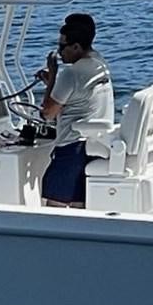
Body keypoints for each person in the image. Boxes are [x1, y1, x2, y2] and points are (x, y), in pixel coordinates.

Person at [37, 13, 114, 207]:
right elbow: (78, 93)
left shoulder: (70, 73)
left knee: (55, 206)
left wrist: (53, 77)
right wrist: (55, 85)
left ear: (76, 46)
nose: (59, 52)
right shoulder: (99, 62)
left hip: (72, 149)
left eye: (62, 47)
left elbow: (47, 114)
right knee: (79, 205)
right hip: (95, 144)